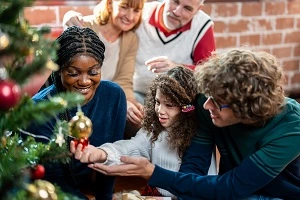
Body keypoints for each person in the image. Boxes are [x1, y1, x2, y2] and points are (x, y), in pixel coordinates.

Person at [84, 49, 300, 199]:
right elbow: (193, 167)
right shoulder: (211, 104)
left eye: (216, 103)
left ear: (245, 108)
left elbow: (231, 187)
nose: (205, 106)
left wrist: (154, 173)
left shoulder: (291, 129)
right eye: (208, 96)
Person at [70, 66, 217, 199]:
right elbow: (130, 147)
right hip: (156, 194)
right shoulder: (155, 129)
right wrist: (101, 153)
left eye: (169, 105)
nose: (160, 111)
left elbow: (199, 188)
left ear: (187, 107)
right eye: (158, 102)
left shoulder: (200, 137)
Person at [23, 26, 127, 200]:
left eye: (94, 72)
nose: (85, 81)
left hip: (87, 185)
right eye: (73, 73)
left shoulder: (114, 96)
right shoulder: (41, 108)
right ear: (59, 70)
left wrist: (105, 197)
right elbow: (53, 180)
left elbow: (112, 156)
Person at [128, 0, 216, 132]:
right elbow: (109, 24)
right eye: (175, 2)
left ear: (198, 9)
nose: (177, 12)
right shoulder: (141, 13)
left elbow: (211, 72)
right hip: (138, 93)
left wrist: (178, 68)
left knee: (201, 110)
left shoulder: (202, 24)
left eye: (187, 8)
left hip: (178, 102)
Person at [63, 0, 146, 130]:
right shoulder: (86, 27)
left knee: (138, 123)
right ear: (109, 5)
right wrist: (68, 16)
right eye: (124, 7)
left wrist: (129, 103)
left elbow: (124, 79)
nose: (130, 16)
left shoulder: (130, 38)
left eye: (136, 11)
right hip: (80, 98)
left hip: (107, 102)